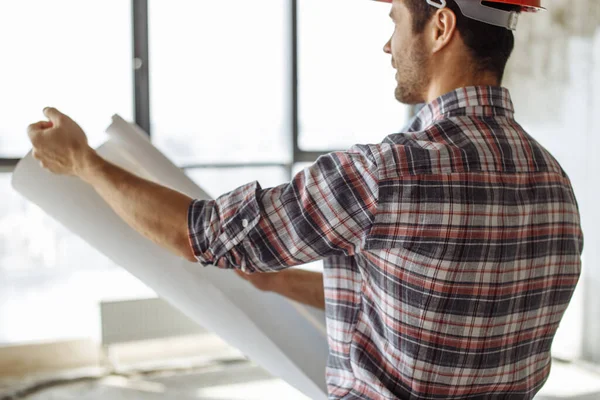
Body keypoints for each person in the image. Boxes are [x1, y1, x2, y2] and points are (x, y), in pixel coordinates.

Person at [26, 0, 583, 398]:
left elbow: (204, 233)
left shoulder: (389, 172)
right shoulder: (556, 186)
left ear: (440, 26)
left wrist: (84, 163)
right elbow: (425, 305)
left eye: (394, 19)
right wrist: (282, 281)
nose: (387, 43)